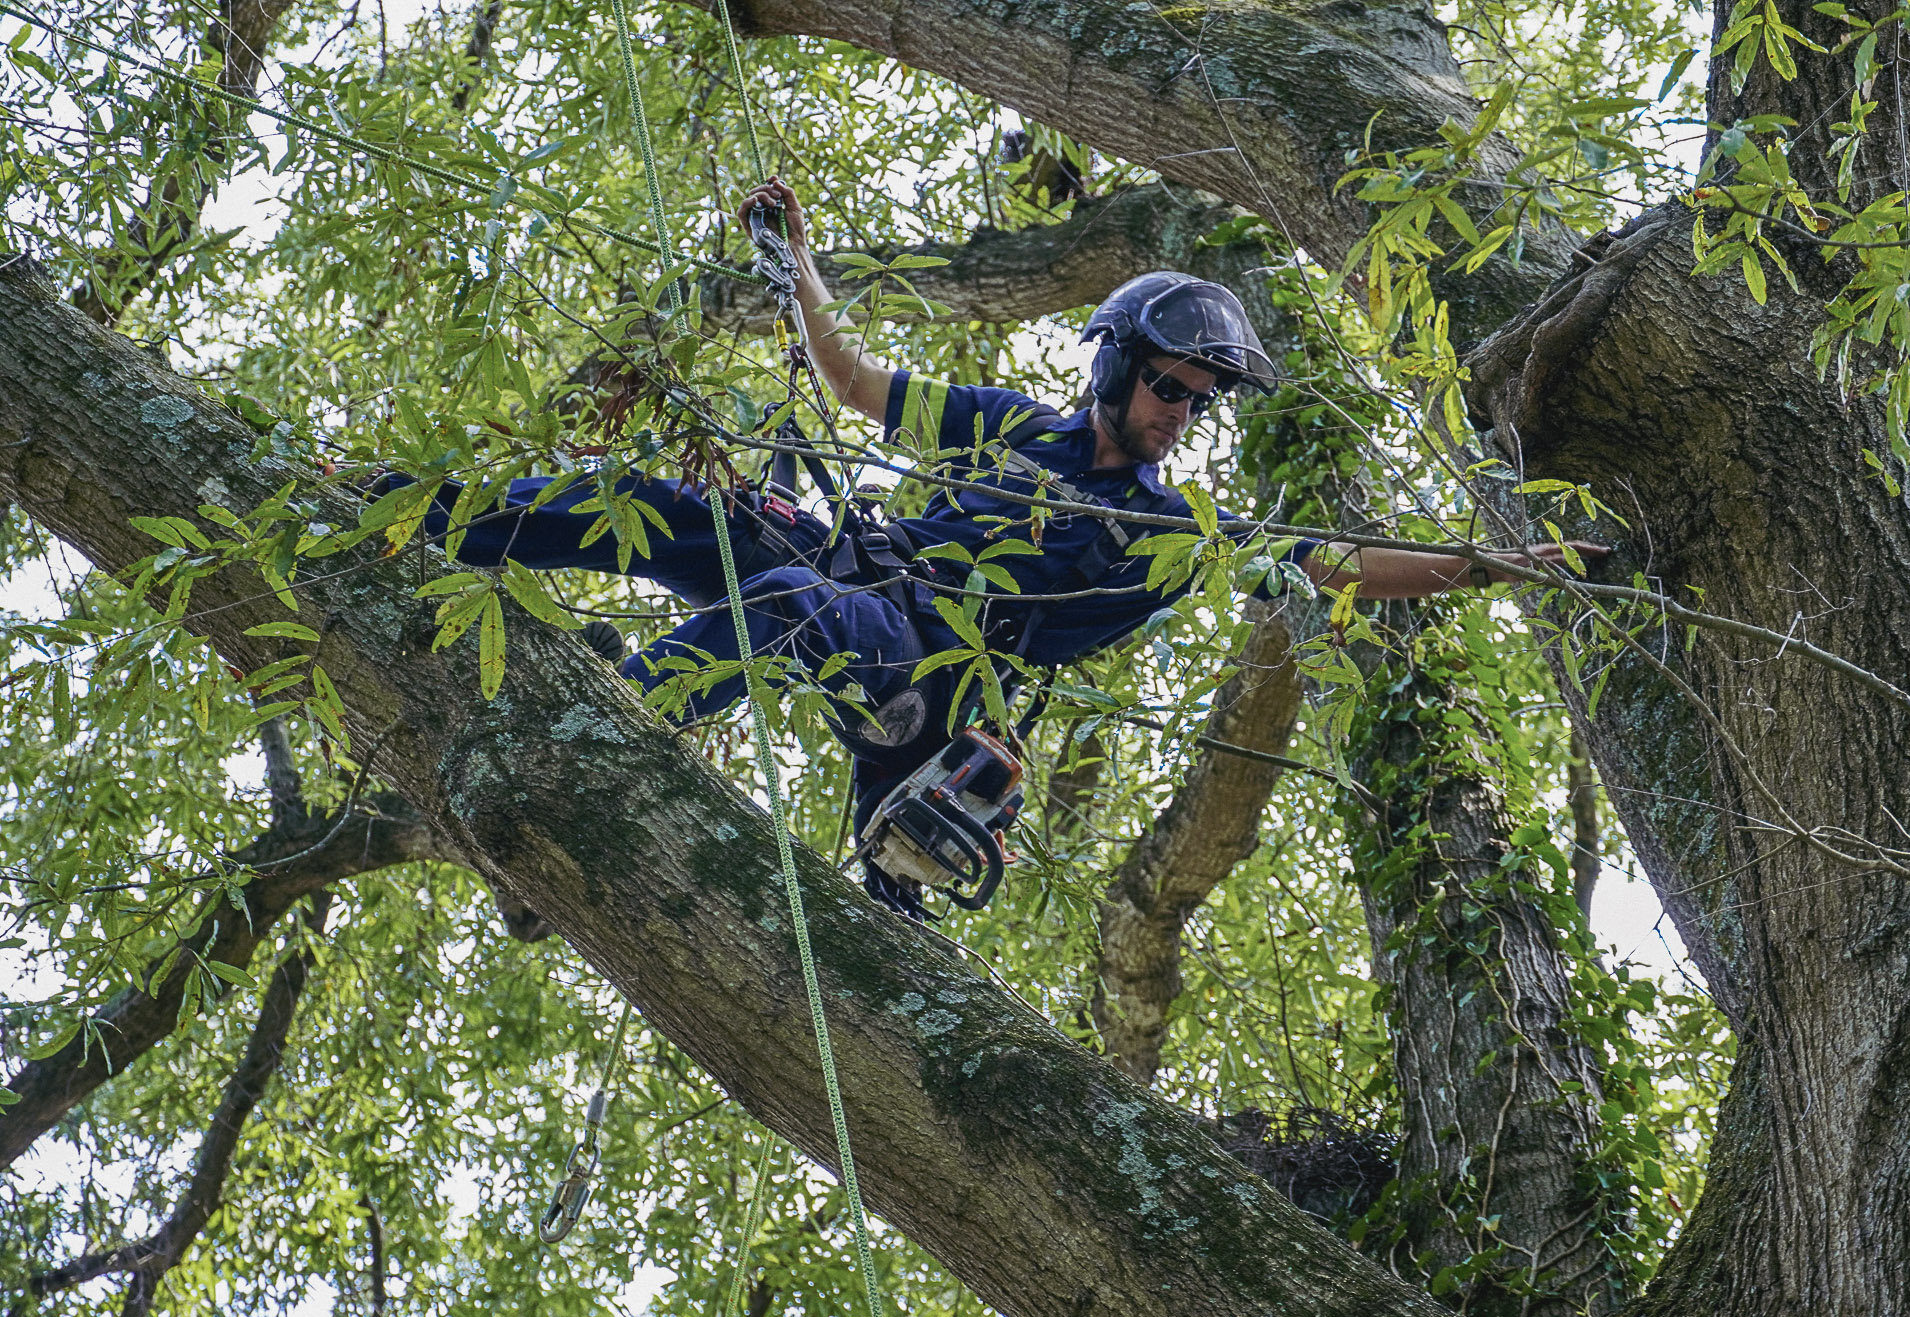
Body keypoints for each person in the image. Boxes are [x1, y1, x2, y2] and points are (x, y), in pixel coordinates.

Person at [406, 177, 1582, 918]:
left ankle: (601, 743)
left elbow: (1321, 560)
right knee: (654, 506)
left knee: (786, 602)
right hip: (856, 567)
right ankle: (413, 515)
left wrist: (1480, 563)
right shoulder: (1009, 427)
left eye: (1199, 399)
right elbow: (856, 383)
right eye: (1169, 385)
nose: (1180, 412)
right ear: (1116, 366)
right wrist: (797, 263)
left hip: (927, 672)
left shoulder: (1164, 530)